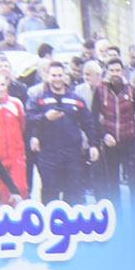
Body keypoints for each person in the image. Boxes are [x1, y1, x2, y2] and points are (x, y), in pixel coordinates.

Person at [26, 58, 90, 201]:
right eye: (53, 75)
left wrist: (94, 144)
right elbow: (29, 120)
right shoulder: (38, 99)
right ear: (47, 76)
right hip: (48, 154)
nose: (57, 79)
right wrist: (45, 117)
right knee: (50, 194)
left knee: (74, 194)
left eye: (60, 75)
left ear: (65, 76)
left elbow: (88, 122)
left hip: (72, 154)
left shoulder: (76, 99)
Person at [90, 57, 135, 193]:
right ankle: (116, 206)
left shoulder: (131, 90)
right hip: (110, 141)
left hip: (129, 140)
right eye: (112, 70)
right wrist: (104, 135)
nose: (115, 73)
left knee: (134, 180)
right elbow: (93, 117)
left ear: (122, 71)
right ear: (107, 72)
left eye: (117, 70)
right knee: (112, 180)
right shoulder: (100, 90)